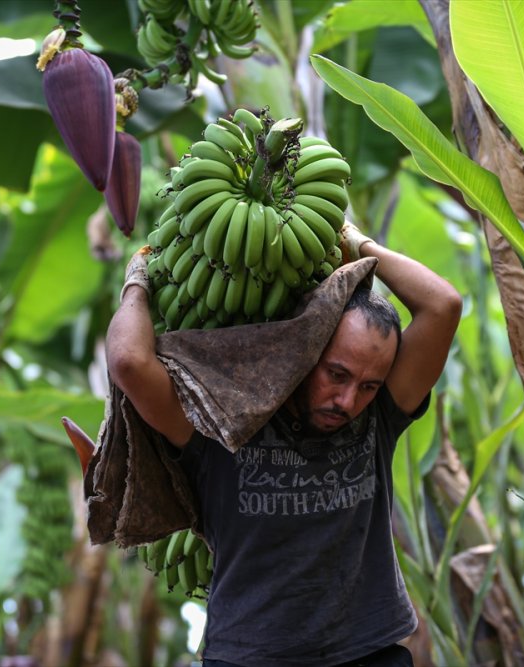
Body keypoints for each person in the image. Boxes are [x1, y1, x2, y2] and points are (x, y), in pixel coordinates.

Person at [106, 223, 462, 667]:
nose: (348, 400)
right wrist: (137, 281)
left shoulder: (377, 419)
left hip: (367, 654)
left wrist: (360, 245)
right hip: (247, 658)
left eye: (368, 385)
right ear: (305, 351)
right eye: (337, 375)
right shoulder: (220, 421)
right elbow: (129, 362)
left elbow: (443, 305)